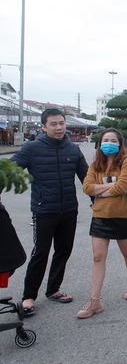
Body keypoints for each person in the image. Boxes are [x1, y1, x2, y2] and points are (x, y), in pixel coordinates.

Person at [1, 108, 89, 316]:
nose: (59, 128)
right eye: (53, 124)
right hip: (44, 211)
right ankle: (28, 296)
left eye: (62, 123)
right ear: (44, 126)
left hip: (69, 210)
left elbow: (87, 178)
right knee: (40, 253)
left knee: (64, 250)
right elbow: (9, 171)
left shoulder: (73, 149)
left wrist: (99, 200)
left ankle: (53, 289)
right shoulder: (32, 148)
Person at [77, 128, 127, 319]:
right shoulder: (96, 164)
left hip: (122, 215)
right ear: (100, 143)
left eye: (113, 140)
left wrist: (100, 191)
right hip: (100, 215)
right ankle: (95, 301)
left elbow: (124, 185)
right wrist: (110, 186)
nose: (109, 143)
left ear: (120, 143)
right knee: (97, 257)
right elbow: (87, 187)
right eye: (105, 140)